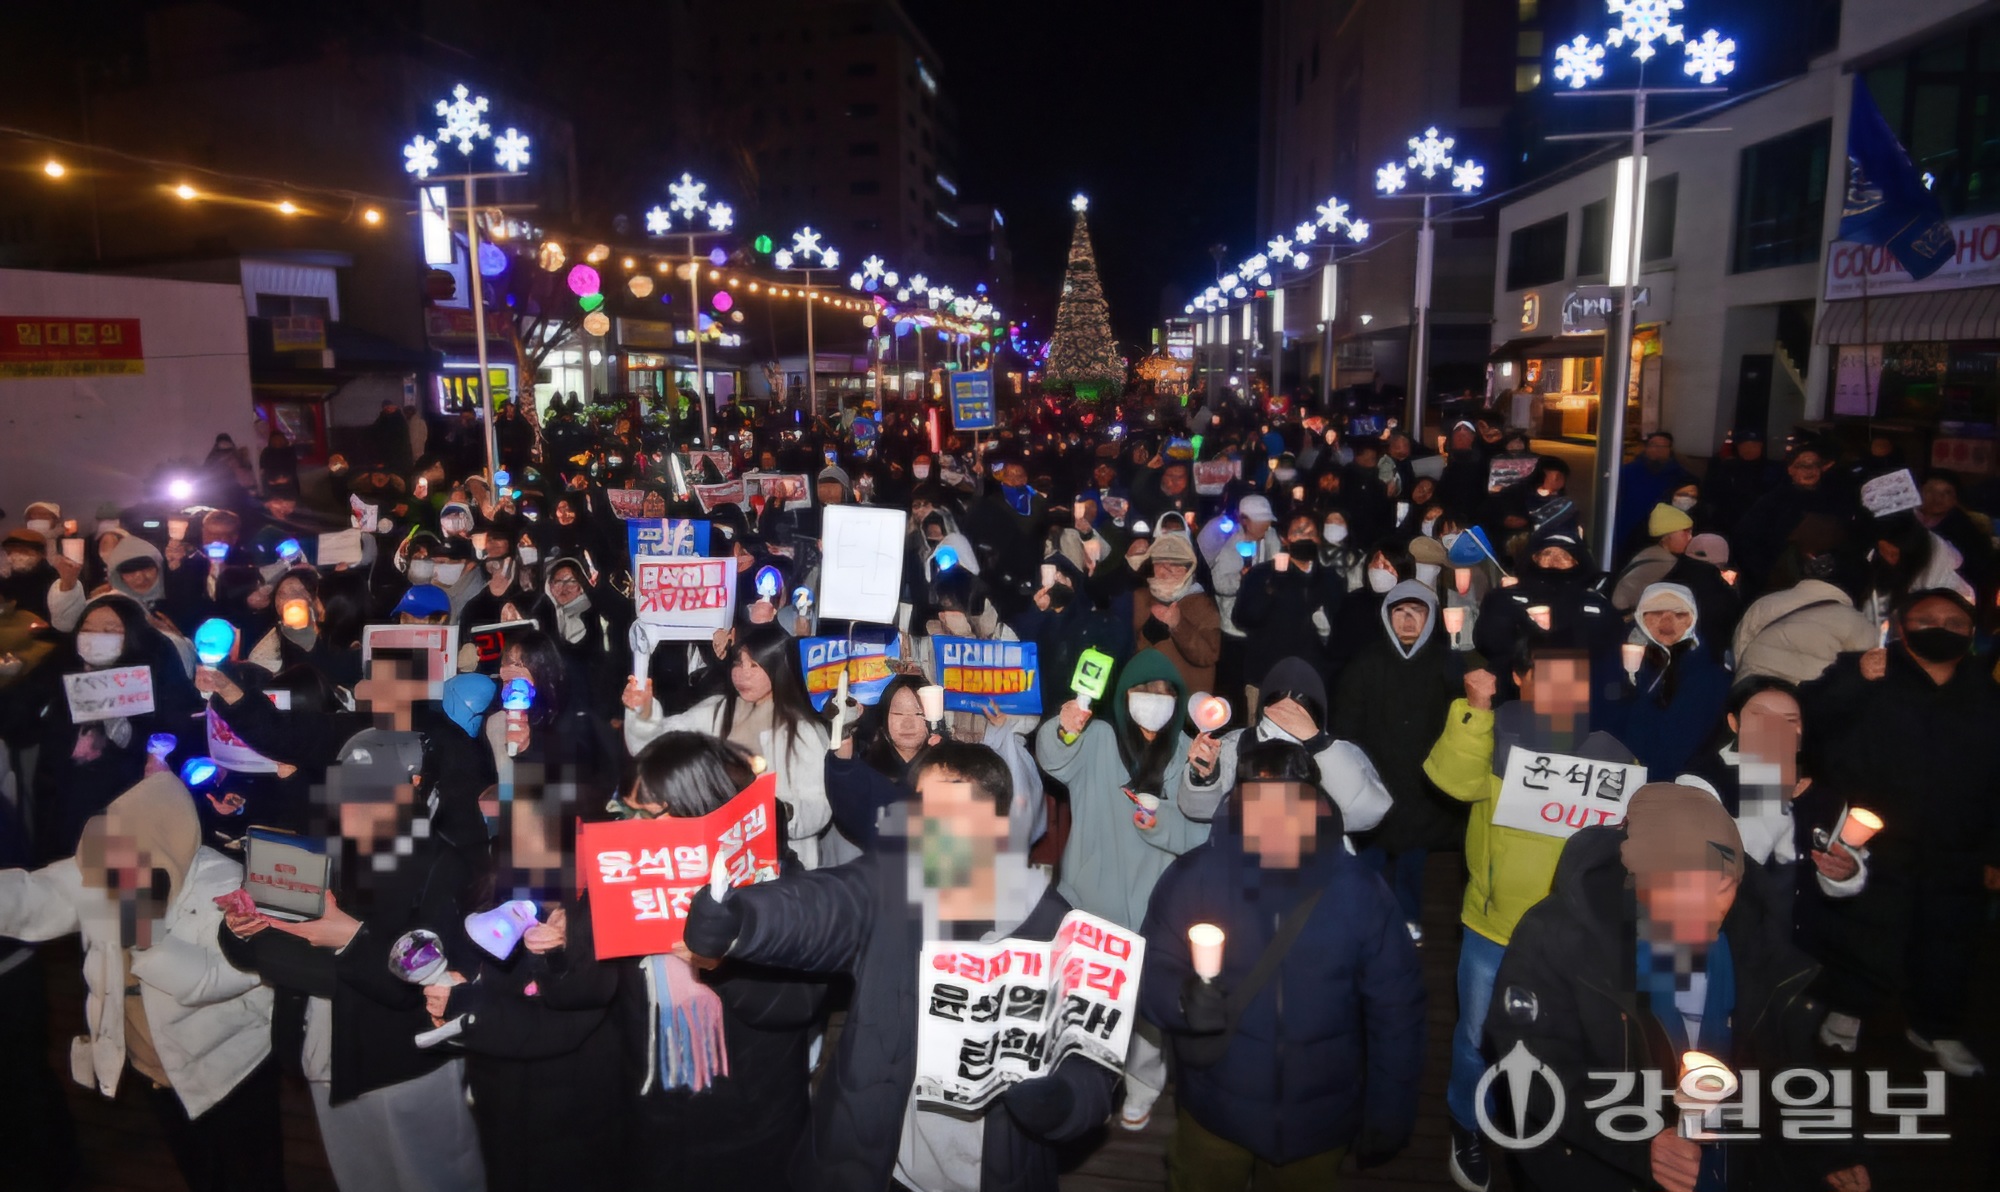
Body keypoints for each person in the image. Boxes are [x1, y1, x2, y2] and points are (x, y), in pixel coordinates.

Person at [682, 741, 1118, 1192]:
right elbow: (827, 905)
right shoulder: (893, 885)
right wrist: (741, 920)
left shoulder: (1058, 930)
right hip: (883, 1168)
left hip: (993, 1173)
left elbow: (1091, 1063)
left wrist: (1062, 1103)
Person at [442, 733, 820, 1191]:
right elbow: (581, 995)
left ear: (697, 805)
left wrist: (724, 958)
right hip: (648, 1124)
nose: (632, 827)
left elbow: (796, 1004)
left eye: (648, 813)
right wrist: (563, 948)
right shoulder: (621, 875)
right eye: (627, 812)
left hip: (751, 1130)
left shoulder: (778, 882)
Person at [1484, 783, 1870, 1192]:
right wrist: (1640, 1139)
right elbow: (1535, 1069)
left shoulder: (1753, 931)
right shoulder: (1555, 937)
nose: (1706, 909)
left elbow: (1785, 1051)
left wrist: (1829, 1146)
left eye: (1723, 887)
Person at [1139, 739, 1425, 1188]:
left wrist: (1391, 1108)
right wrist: (1181, 999)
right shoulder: (1193, 877)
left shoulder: (1361, 893)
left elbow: (1398, 1011)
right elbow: (1150, 967)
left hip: (1317, 1126)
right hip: (1215, 1111)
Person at [0, 771, 281, 1192]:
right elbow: (36, 895)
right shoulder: (108, 873)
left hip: (231, 1078)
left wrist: (146, 940)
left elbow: (232, 976)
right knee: (199, 1173)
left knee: (248, 1179)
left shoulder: (227, 889)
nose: (109, 891)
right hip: (159, 1074)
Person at [1421, 646, 1637, 1192]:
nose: (1560, 694)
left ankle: (1541, 1130)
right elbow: (1452, 782)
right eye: (1546, 681)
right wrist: (1473, 711)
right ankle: (1466, 1123)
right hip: (1494, 926)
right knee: (1474, 1037)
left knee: (1559, 1039)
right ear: (1520, 681)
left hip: (1573, 936)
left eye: (1573, 684)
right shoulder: (1494, 738)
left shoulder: (1613, 757)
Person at [1797, 589, 2000, 1076]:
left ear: (1972, 633)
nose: (1941, 627)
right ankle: (1848, 1009)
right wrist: (1857, 683)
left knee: (1950, 940)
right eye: (1926, 618)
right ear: (1902, 626)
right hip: (1874, 837)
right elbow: (1808, 722)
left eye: (1954, 622)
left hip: (1959, 844)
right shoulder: (1866, 670)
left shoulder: (1986, 691)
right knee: (1864, 928)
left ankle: (1937, 1027)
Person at [1036, 649, 1205, 1130]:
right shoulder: (1101, 737)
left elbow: (1203, 829)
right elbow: (1054, 758)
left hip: (1161, 904)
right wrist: (1064, 725)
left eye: (1165, 692)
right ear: (1123, 694)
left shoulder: (1190, 751)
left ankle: (1144, 1084)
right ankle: (1083, 1076)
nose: (1153, 700)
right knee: (1083, 998)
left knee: (1148, 1011)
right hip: (1090, 898)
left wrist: (1162, 823)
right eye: (1142, 690)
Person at [623, 623, 834, 868]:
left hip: (780, 861)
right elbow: (655, 747)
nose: (742, 674)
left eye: (754, 666)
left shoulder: (804, 731)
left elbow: (819, 805)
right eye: (738, 663)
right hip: (717, 859)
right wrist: (644, 713)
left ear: (779, 667)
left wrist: (776, 812)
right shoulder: (716, 711)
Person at [1335, 580, 1463, 942]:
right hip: (1377, 781)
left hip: (1424, 787)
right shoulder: (1366, 662)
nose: (1408, 620)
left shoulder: (1445, 662)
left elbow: (1460, 722)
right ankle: (1363, 924)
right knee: (1369, 863)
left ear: (1431, 617)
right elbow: (1346, 725)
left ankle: (1409, 919)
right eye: (1400, 612)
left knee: (1412, 864)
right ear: (1387, 616)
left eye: (1417, 612)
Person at [1602, 583, 1732, 780]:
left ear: (1693, 618)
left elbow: (1683, 742)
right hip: (1608, 775)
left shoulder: (1707, 676)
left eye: (1679, 614)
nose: (1667, 622)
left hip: (1666, 783)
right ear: (1640, 616)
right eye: (1656, 613)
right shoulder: (1616, 658)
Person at [1233, 512, 1345, 708]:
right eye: (1298, 532)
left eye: (1310, 532)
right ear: (1285, 539)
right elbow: (1243, 618)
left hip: (1313, 682)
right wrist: (1272, 587)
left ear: (1319, 538)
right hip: (1267, 680)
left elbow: (1342, 632)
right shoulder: (1262, 574)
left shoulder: (1330, 579)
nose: (1304, 537)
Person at [1131, 530, 1222, 696]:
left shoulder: (1202, 605)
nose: (1166, 570)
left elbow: (1209, 655)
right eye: (1160, 562)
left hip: (1184, 699)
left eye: (1175, 564)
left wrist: (1178, 625)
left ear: (1188, 569)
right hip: (1144, 695)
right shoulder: (1141, 597)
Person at [1612, 432, 1690, 562]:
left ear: (1669, 450)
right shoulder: (1627, 472)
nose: (1658, 450)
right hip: (1627, 532)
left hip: (1662, 536)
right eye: (1654, 445)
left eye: (1663, 446)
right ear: (1646, 448)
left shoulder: (1680, 476)